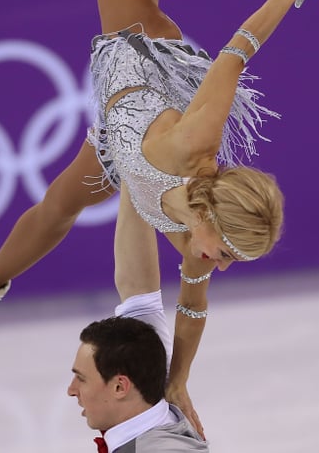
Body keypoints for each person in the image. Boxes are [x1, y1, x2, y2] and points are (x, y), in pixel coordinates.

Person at [0, 0, 319, 421]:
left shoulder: (197, 244)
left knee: (56, 208)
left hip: (123, 149)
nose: (224, 264)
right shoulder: (194, 145)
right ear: (214, 218)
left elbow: (192, 312)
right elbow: (236, 53)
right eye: (229, 252)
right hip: (140, 56)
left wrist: (179, 381)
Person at [68, 184, 209, 448]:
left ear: (120, 386)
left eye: (82, 378)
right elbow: (138, 290)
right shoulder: (147, 374)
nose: (71, 390)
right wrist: (134, 167)